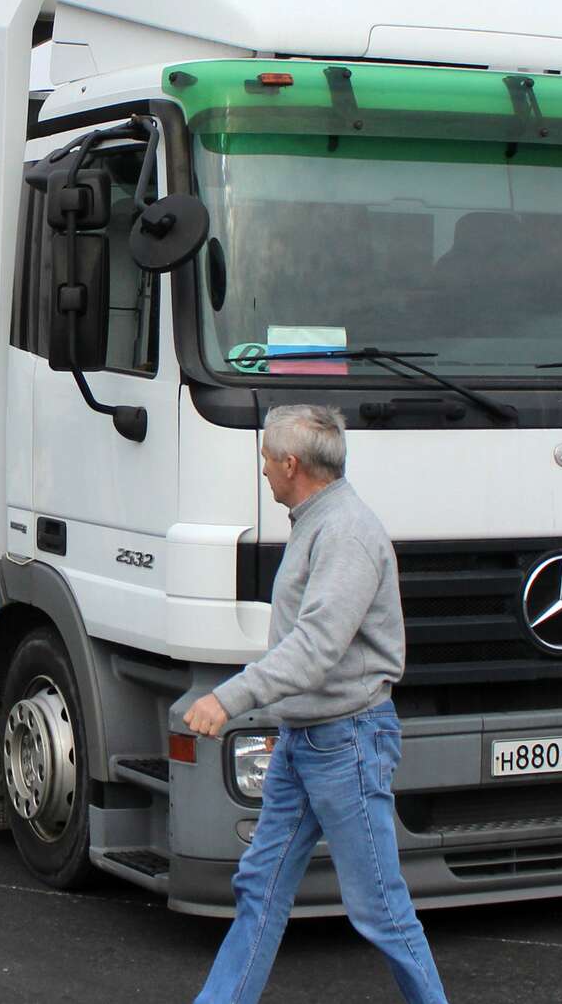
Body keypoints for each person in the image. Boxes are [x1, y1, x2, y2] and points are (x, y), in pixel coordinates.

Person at [184, 403, 447, 1004]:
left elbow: (317, 647)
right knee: (260, 886)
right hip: (309, 740)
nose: (264, 472)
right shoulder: (317, 522)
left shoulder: (347, 533)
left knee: (379, 908)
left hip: (347, 743)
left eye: (267, 462)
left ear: (292, 464)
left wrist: (230, 698)